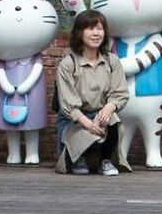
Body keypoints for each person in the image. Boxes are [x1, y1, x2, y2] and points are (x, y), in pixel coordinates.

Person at [55, 10, 130, 175]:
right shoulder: (68, 64)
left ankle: (106, 160)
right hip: (74, 120)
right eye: (90, 29)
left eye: (99, 28)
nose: (96, 33)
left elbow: (120, 93)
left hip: (100, 115)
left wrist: (109, 107)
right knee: (82, 134)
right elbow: (68, 106)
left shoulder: (112, 61)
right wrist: (88, 124)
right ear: (79, 33)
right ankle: (76, 158)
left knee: (114, 120)